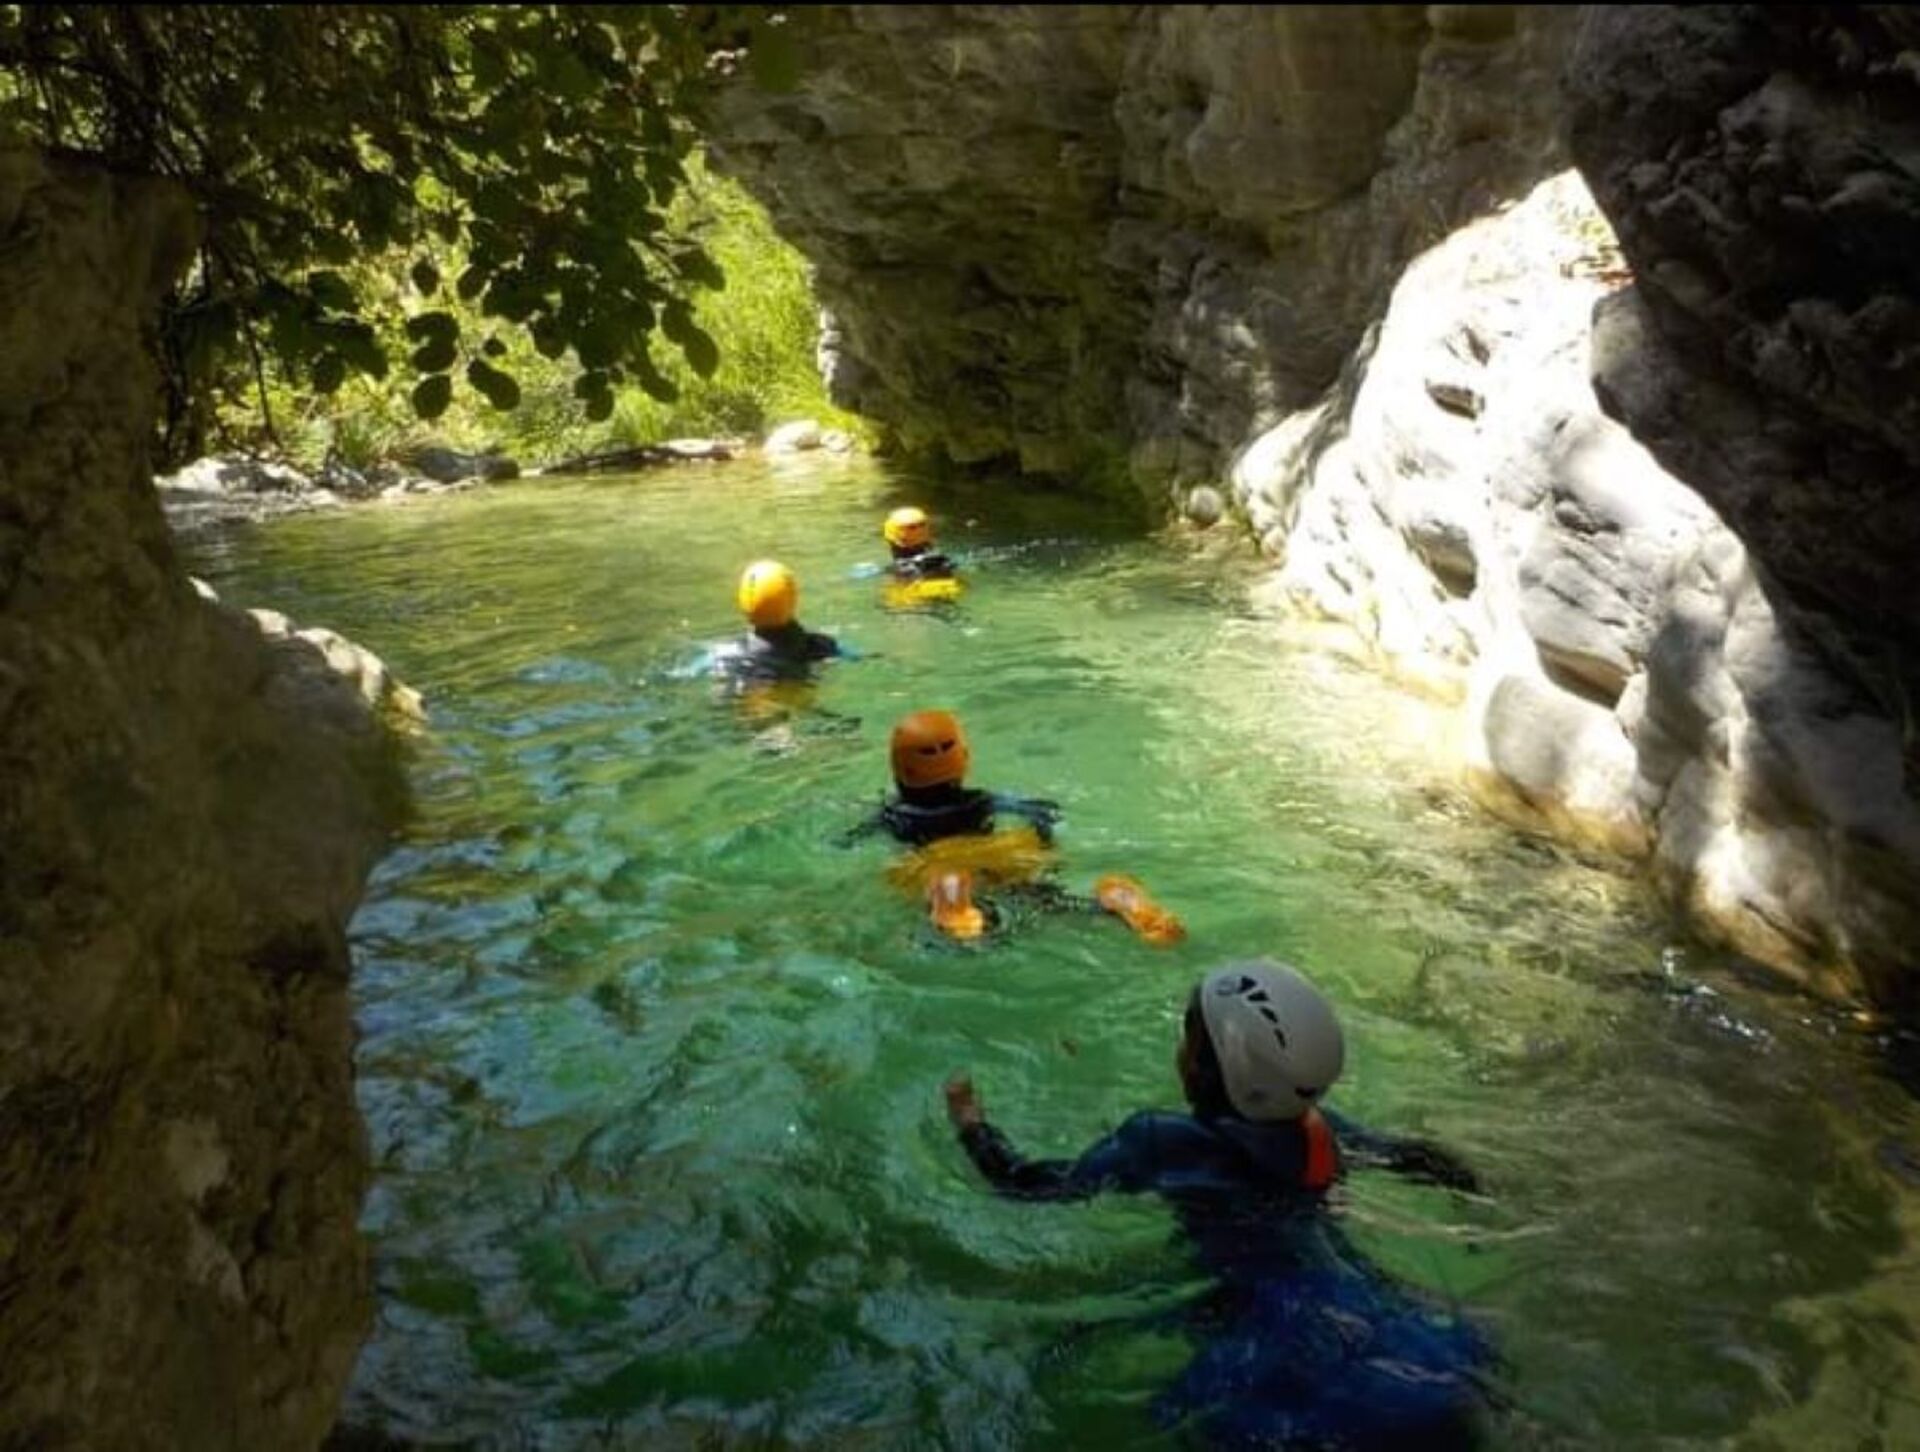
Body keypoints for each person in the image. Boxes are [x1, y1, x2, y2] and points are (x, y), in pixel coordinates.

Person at [943, 960, 1491, 1450]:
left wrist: (970, 1125)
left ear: (1209, 1069)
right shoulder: (1322, 1130)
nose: (1180, 1051)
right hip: (1381, 1319)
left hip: (1268, 1336)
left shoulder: (1160, 1140)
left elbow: (1030, 1186)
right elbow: (1419, 1159)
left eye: (1189, 1041)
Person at [846, 709, 1184, 944]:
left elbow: (849, 842)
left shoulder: (893, 814)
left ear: (898, 766)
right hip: (1004, 855)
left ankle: (954, 903)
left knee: (939, 879)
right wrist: (1046, 844)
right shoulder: (987, 800)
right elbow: (1042, 812)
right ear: (963, 758)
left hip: (945, 863)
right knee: (1046, 900)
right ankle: (1114, 897)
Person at [708, 559, 844, 683]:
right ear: (793, 599)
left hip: (752, 691)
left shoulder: (728, 652)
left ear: (743, 601)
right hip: (798, 687)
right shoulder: (821, 645)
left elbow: (690, 672)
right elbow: (855, 657)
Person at [880, 506, 964, 609]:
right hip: (950, 590)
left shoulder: (895, 569)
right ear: (928, 535)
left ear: (890, 540)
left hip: (915, 600)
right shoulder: (943, 560)